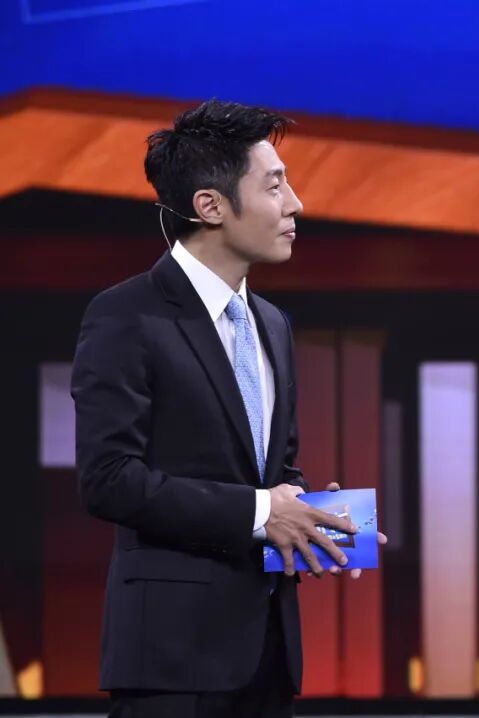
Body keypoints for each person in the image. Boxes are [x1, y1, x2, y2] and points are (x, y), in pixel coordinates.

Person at [71, 99, 377, 718]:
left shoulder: (272, 323)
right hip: (171, 659)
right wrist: (263, 511)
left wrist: (311, 517)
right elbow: (109, 480)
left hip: (268, 654)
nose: (296, 205)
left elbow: (272, 474)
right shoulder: (127, 314)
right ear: (210, 206)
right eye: (275, 186)